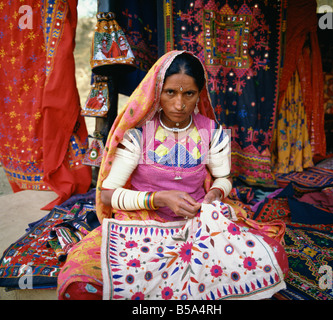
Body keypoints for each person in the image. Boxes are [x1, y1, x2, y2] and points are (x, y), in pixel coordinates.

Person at [57, 50, 288, 300]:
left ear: (199, 94)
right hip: (143, 225)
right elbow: (107, 195)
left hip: (198, 222)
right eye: (171, 93)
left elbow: (224, 178)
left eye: (188, 94)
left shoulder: (213, 132)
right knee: (80, 285)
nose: (179, 104)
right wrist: (159, 198)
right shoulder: (138, 135)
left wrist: (213, 194)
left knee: (273, 257)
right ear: (158, 91)